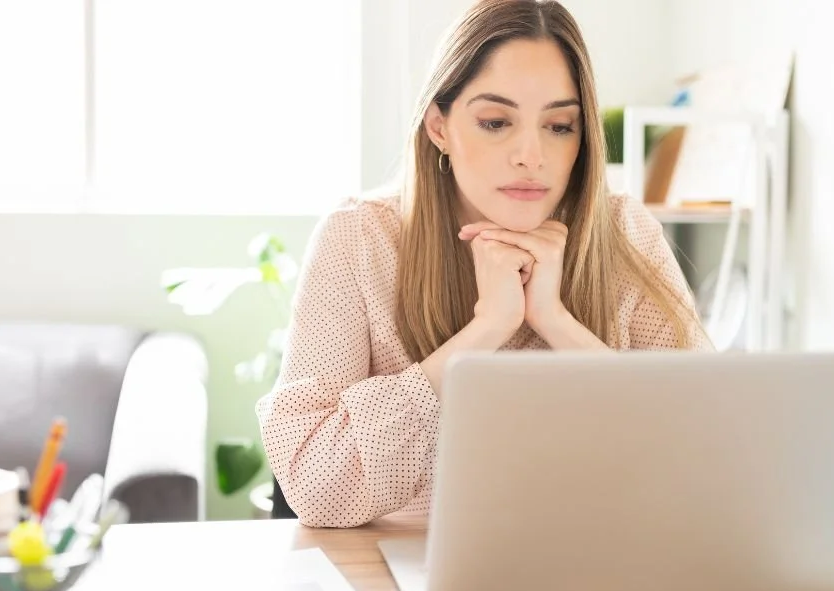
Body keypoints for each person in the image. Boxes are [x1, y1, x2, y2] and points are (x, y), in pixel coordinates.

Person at [257, 0, 713, 528]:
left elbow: (705, 444)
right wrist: (485, 331)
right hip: (407, 571)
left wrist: (557, 323)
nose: (530, 155)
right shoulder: (359, 238)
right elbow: (315, 486)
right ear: (439, 128)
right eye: (496, 122)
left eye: (560, 126)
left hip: (599, 564)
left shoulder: (625, 232)